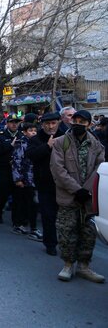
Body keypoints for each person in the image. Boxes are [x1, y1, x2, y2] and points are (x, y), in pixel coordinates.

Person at [50, 110, 105, 283]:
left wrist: (87, 191)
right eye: (76, 120)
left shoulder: (96, 145)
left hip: (88, 199)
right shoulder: (60, 143)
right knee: (66, 232)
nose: (78, 124)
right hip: (68, 197)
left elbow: (99, 168)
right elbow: (58, 170)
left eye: (83, 121)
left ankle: (84, 266)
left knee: (88, 234)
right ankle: (67, 265)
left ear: (89, 124)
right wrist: (76, 190)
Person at [26, 112, 63, 256]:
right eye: (47, 124)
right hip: (44, 184)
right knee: (48, 216)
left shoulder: (66, 136)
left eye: (53, 123)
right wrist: (47, 146)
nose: (50, 126)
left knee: (65, 217)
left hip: (63, 184)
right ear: (42, 125)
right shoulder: (36, 139)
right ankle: (50, 244)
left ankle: (67, 244)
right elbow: (31, 155)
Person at [11, 123, 42, 241]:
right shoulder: (21, 143)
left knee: (32, 203)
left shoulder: (37, 142)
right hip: (24, 179)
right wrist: (18, 178)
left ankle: (30, 226)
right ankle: (22, 225)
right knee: (24, 203)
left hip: (35, 178)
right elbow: (16, 161)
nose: (33, 132)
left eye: (35, 130)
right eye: (30, 130)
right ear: (24, 132)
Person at [0, 114, 23, 225]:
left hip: (18, 170)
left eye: (16, 122)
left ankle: (16, 219)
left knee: (17, 194)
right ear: (7, 123)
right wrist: (9, 145)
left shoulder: (21, 135)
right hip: (5, 168)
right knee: (3, 193)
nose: (14, 124)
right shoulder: (0, 135)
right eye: (12, 122)